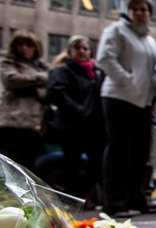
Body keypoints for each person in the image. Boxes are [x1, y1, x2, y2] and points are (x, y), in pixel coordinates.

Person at [96, 0, 156, 218]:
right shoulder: (116, 31)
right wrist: (127, 79)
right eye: (137, 9)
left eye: (145, 9)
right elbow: (105, 58)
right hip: (118, 97)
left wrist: (153, 92)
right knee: (117, 151)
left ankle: (135, 195)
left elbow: (153, 72)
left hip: (142, 103)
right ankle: (113, 201)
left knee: (140, 154)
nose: (141, 13)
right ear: (129, 11)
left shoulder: (150, 41)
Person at [46, 35, 105, 204]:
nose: (82, 51)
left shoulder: (97, 73)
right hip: (71, 126)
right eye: (78, 48)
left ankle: (79, 195)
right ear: (70, 50)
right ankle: (72, 197)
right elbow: (56, 93)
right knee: (71, 163)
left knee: (97, 164)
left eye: (85, 48)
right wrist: (78, 110)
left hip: (93, 127)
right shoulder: (62, 71)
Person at [0, 30, 49, 171]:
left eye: (29, 45)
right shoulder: (9, 62)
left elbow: (48, 92)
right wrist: (40, 79)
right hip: (12, 123)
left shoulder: (42, 67)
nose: (24, 48)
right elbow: (11, 80)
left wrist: (33, 84)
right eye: (20, 44)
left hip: (34, 126)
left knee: (28, 168)